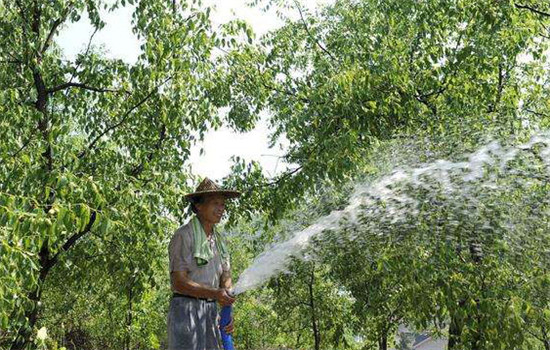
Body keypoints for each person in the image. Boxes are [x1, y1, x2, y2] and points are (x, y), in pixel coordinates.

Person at [167, 177, 240, 350]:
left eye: (223, 204)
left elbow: (226, 277)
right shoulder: (184, 236)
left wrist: (227, 311)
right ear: (198, 206)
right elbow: (179, 282)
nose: (221, 209)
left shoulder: (219, 241)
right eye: (216, 203)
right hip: (186, 311)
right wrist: (216, 294)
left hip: (211, 311)